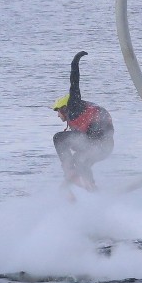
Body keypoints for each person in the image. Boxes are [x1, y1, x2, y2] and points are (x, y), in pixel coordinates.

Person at [52, 51, 114, 192]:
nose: (58, 116)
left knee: (58, 138)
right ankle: (92, 189)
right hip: (105, 148)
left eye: (58, 111)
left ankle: (70, 172)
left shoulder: (74, 107)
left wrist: (75, 62)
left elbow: (74, 83)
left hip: (98, 141)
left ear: (64, 108)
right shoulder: (79, 120)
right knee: (80, 162)